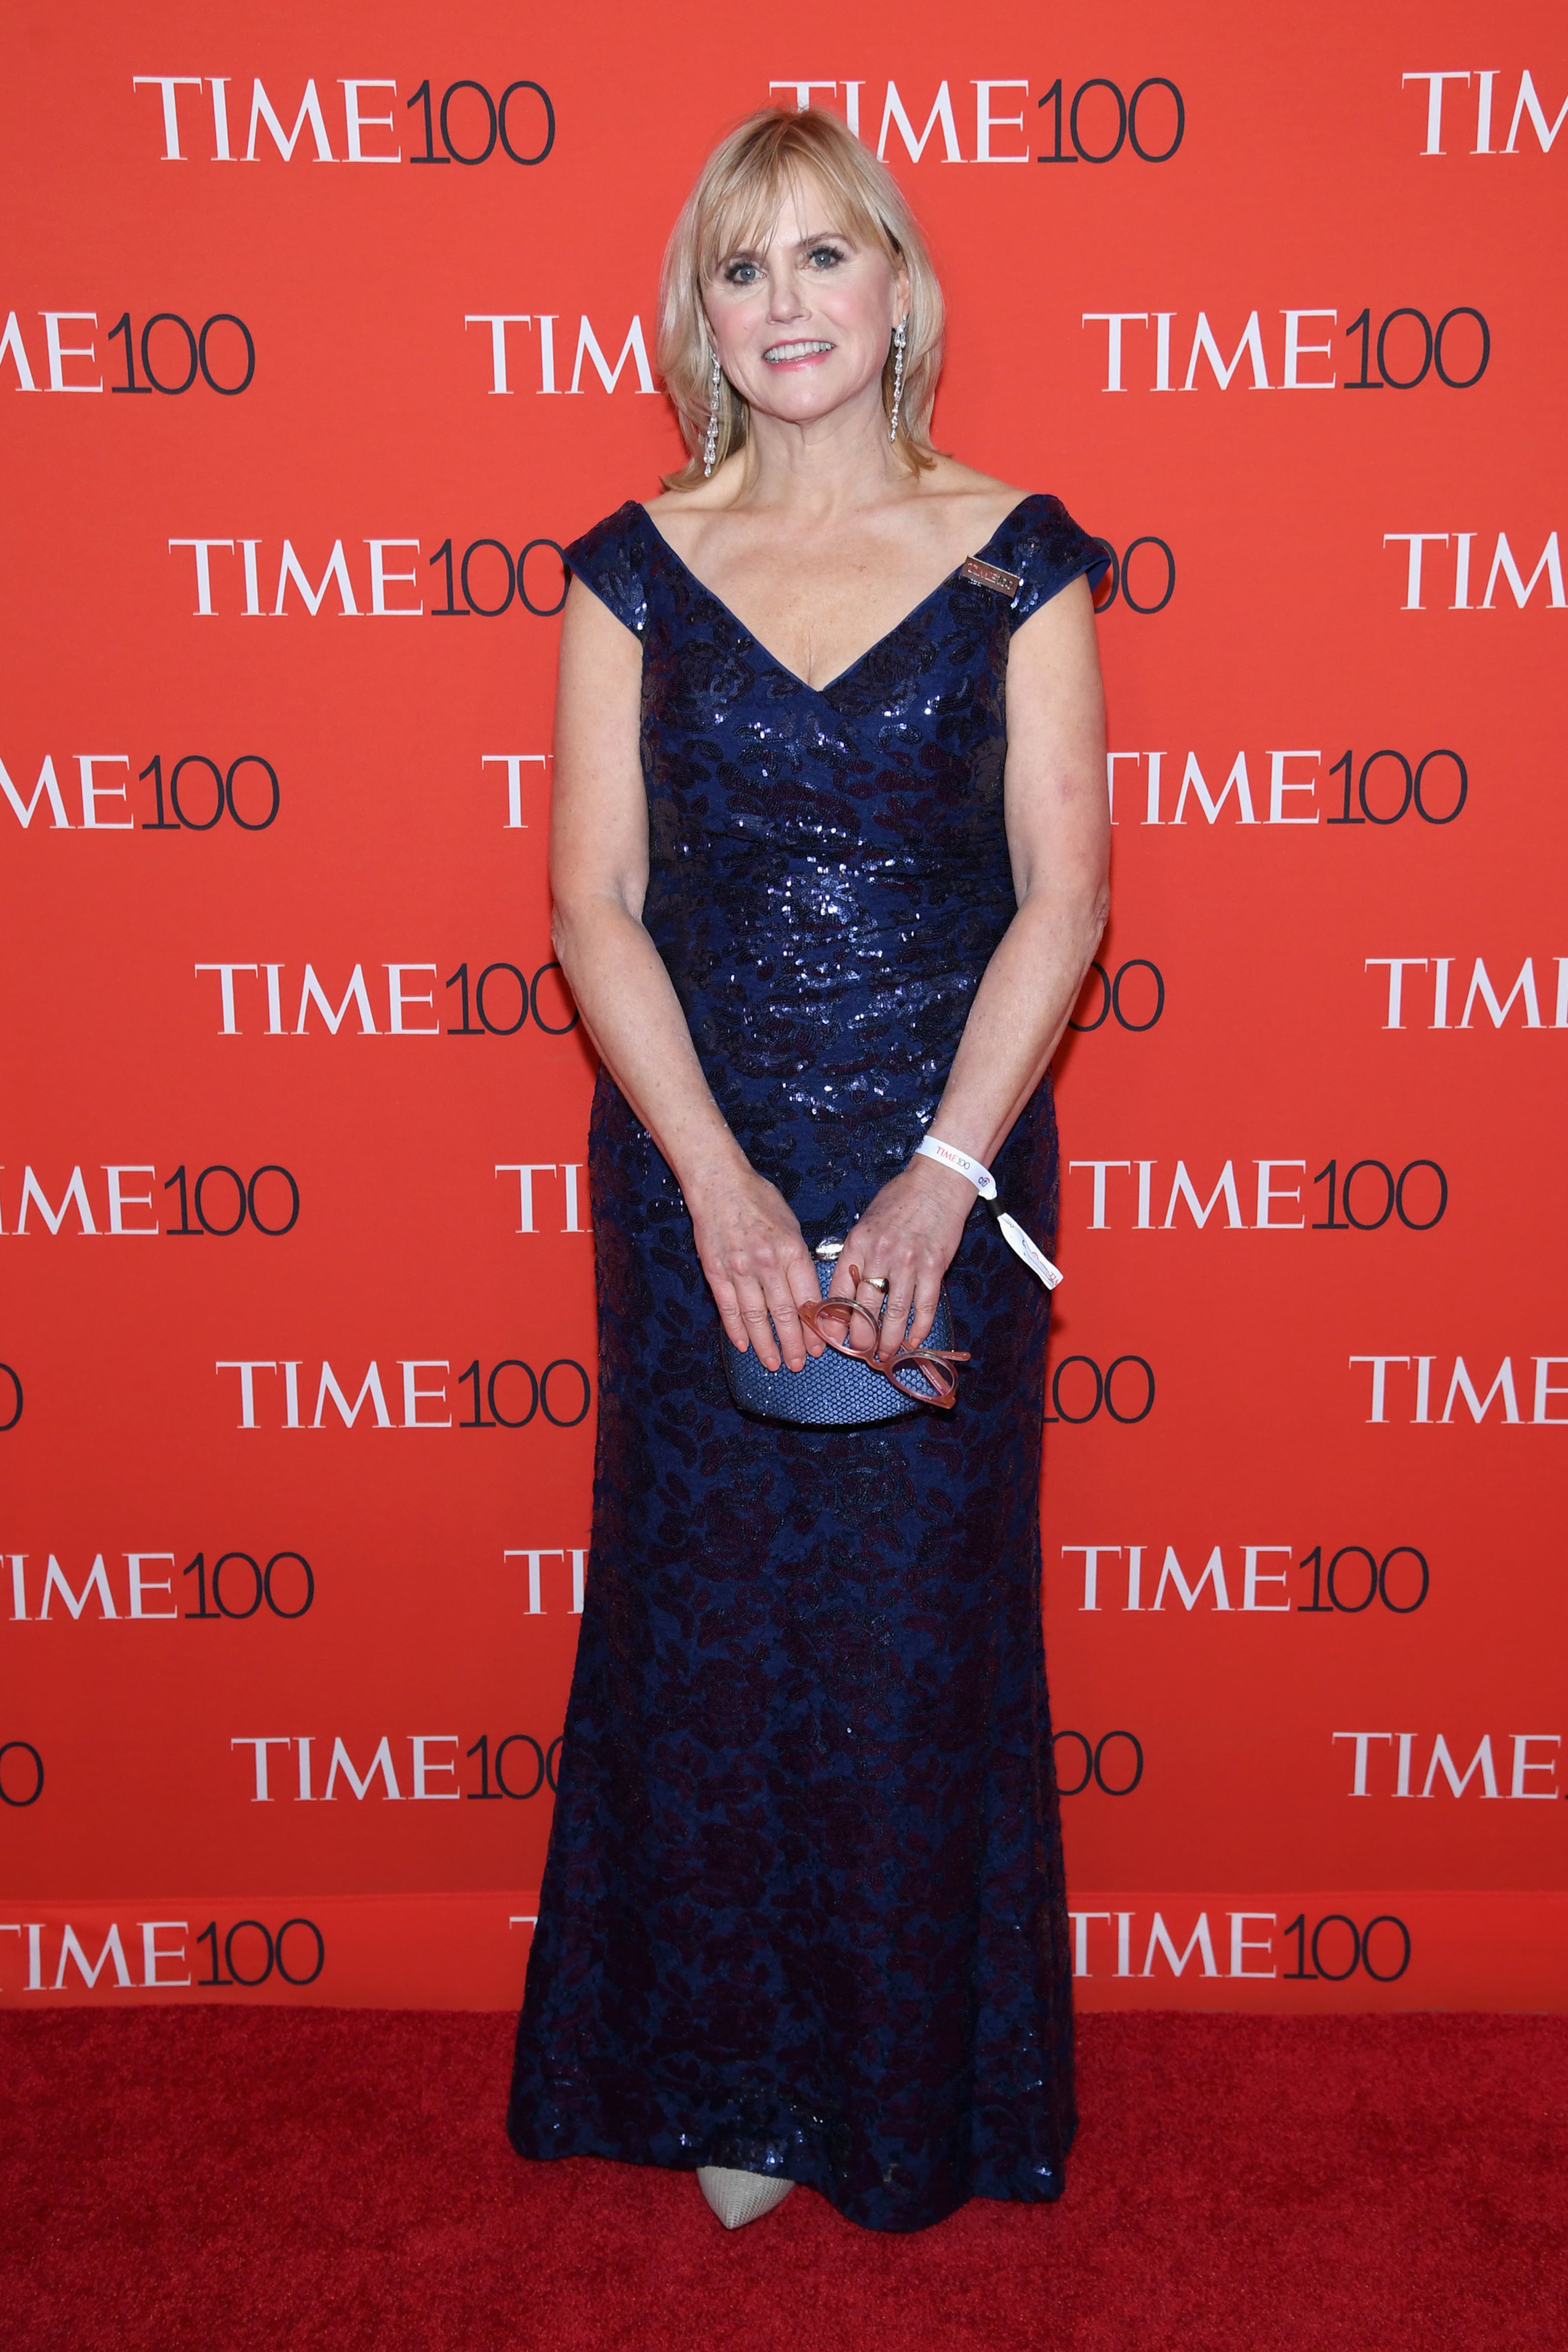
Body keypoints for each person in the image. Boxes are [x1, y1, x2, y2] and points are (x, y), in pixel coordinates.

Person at [507, 104, 1109, 2234]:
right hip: (702, 1170)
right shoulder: (632, 573)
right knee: (719, 1621)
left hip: (944, 1160)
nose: (787, 305)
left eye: (824, 258)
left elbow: (1064, 893)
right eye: (744, 269)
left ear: (895, 292)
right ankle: (736, 2089)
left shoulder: (1020, 551)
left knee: (912, 1630)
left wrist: (942, 1175)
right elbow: (595, 906)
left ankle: (906, 2086)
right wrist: (724, 1192)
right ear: (703, 313)